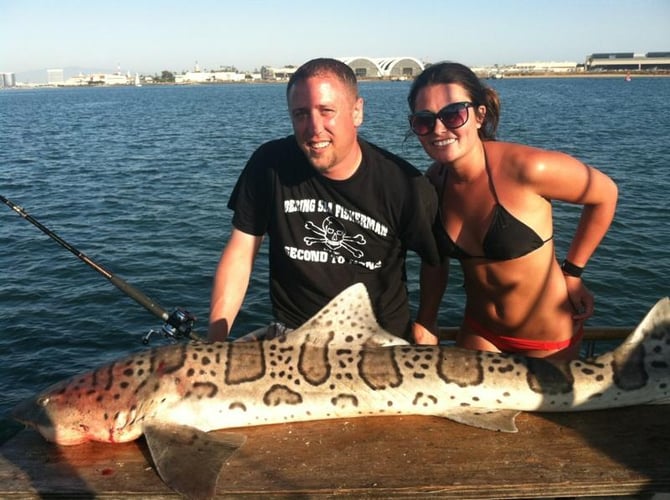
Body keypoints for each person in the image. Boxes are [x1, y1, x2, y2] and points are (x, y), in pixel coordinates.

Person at [208, 58, 440, 341]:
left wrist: (426, 322)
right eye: (301, 114)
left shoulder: (404, 185)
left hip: (377, 343)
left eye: (326, 111)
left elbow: (434, 260)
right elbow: (241, 252)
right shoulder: (269, 164)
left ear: (357, 112)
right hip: (292, 339)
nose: (314, 127)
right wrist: (215, 341)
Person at [408, 62, 618, 360]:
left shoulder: (527, 168)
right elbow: (434, 262)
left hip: (546, 341)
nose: (439, 129)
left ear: (479, 115)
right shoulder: (433, 183)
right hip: (480, 331)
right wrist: (426, 319)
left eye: (453, 114)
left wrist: (573, 273)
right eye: (424, 121)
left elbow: (605, 194)